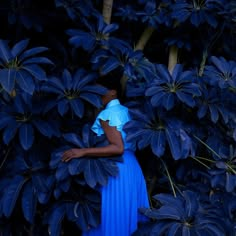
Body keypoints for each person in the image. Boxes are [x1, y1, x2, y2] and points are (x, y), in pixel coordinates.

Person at [62, 75, 150, 236]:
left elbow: (117, 148)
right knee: (125, 215)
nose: (96, 93)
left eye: (99, 89)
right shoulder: (127, 112)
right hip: (131, 167)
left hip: (116, 168)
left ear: (112, 92)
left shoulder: (107, 114)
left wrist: (83, 151)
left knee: (112, 215)